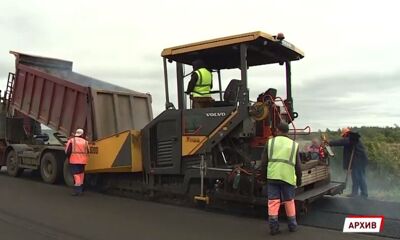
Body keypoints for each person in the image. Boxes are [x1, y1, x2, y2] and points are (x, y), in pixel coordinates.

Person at [261, 122, 302, 235]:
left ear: (278, 130)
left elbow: (263, 163)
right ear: (287, 131)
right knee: (289, 201)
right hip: (288, 177)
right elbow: (298, 166)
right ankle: (292, 225)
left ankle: (273, 227)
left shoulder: (270, 143)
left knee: (273, 202)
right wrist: (299, 179)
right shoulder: (294, 145)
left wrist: (263, 178)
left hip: (273, 176)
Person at [328, 127, 368, 198]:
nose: (343, 137)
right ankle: (354, 193)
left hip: (359, 162)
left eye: (343, 136)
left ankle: (364, 194)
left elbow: (341, 142)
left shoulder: (351, 138)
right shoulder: (351, 139)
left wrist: (329, 143)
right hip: (356, 162)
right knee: (355, 178)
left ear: (346, 134)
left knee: (360, 177)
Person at [65, 128, 90, 196]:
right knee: (81, 174)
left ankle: (77, 191)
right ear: (82, 134)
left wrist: (69, 157)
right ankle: (81, 189)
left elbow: (67, 151)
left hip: (74, 160)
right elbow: (88, 151)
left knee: (76, 175)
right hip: (83, 161)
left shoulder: (71, 141)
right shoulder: (85, 142)